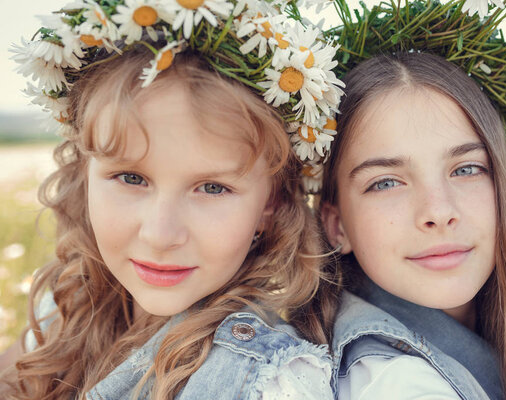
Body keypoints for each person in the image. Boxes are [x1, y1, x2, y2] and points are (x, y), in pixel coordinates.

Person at [0, 1, 344, 398]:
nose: (161, 235)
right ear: (85, 175)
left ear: (272, 205)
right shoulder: (66, 305)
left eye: (213, 188)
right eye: (131, 178)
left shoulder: (268, 383)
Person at [319, 52, 506, 399]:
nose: (439, 211)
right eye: (386, 182)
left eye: (466, 169)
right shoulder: (398, 384)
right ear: (337, 226)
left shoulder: (498, 346)